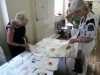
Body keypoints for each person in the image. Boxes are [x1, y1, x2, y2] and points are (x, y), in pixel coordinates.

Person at [66, 0, 98, 75]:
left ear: (83, 9)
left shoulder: (91, 19)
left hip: (87, 45)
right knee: (79, 58)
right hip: (81, 41)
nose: (77, 15)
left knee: (84, 61)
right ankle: (78, 70)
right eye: (76, 12)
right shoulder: (84, 16)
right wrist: (74, 38)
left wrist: (75, 40)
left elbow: (89, 38)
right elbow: (81, 30)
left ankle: (82, 73)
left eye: (78, 12)